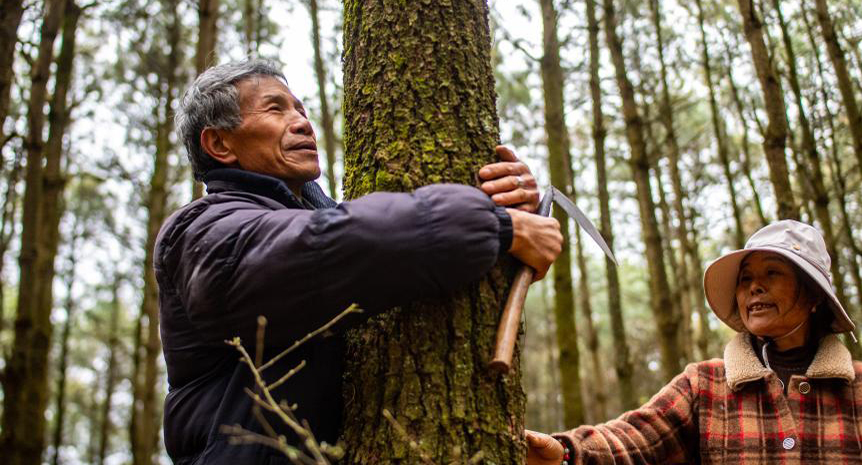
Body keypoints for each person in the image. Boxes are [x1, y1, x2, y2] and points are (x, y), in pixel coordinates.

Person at [156, 59, 562, 464]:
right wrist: (494, 225)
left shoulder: (326, 226)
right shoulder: (202, 231)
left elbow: (367, 244)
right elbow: (331, 249)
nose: (302, 122)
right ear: (220, 144)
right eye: (275, 109)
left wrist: (509, 215)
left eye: (300, 109)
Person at [526, 220, 862, 465]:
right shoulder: (703, 385)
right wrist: (566, 451)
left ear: (815, 296)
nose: (752, 289)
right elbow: (635, 441)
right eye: (745, 279)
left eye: (771, 274)